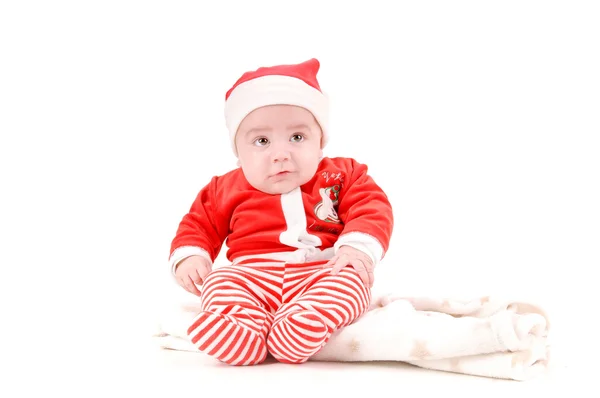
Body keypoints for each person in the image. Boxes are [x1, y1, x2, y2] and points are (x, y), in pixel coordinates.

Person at [168, 58, 394, 366]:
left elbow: (371, 206)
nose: (281, 154)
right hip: (250, 277)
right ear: (239, 153)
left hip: (320, 273)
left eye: (297, 138)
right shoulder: (224, 188)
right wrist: (190, 256)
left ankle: (301, 326)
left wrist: (357, 249)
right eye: (261, 141)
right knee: (220, 283)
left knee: (351, 282)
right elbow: (198, 224)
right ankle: (242, 331)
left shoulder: (343, 175)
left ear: (320, 142)